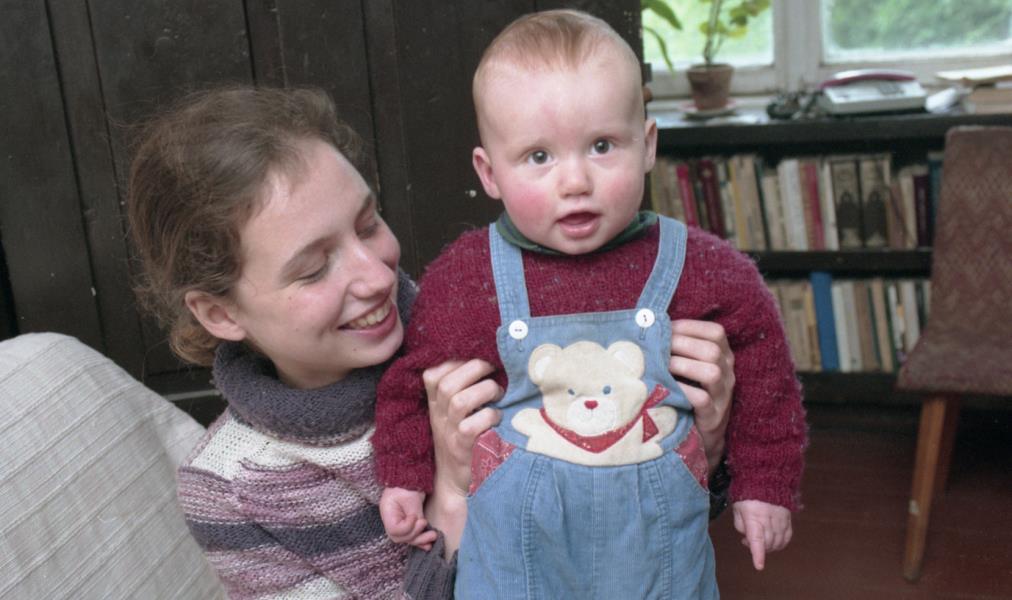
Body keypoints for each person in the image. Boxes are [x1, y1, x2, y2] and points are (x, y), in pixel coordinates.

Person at [373, 9, 806, 599]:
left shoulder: (702, 266)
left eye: (602, 146)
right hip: (517, 558)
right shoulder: (467, 278)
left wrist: (764, 484)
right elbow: (408, 383)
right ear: (490, 172)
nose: (575, 181)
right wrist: (404, 477)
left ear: (647, 146)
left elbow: (764, 370)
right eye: (539, 157)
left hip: (658, 557)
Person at [125, 86, 502, 599]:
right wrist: (453, 499)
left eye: (368, 225)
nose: (378, 277)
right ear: (220, 313)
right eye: (313, 269)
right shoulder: (233, 490)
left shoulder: (481, 316)